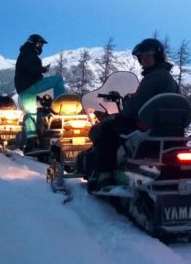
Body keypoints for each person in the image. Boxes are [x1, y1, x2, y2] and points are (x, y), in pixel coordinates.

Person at [85, 37, 179, 187]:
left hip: (149, 129)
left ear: (158, 56)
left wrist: (124, 111)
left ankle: (105, 174)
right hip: (169, 130)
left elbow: (132, 109)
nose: (145, 59)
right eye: (142, 57)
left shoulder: (154, 77)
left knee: (105, 130)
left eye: (149, 55)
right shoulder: (169, 79)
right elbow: (151, 100)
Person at [14, 33, 66, 151]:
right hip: (31, 86)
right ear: (35, 43)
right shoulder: (28, 53)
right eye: (40, 44)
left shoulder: (24, 53)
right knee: (58, 80)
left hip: (23, 91)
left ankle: (32, 140)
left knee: (31, 114)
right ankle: (60, 106)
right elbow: (32, 69)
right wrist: (43, 69)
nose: (41, 47)